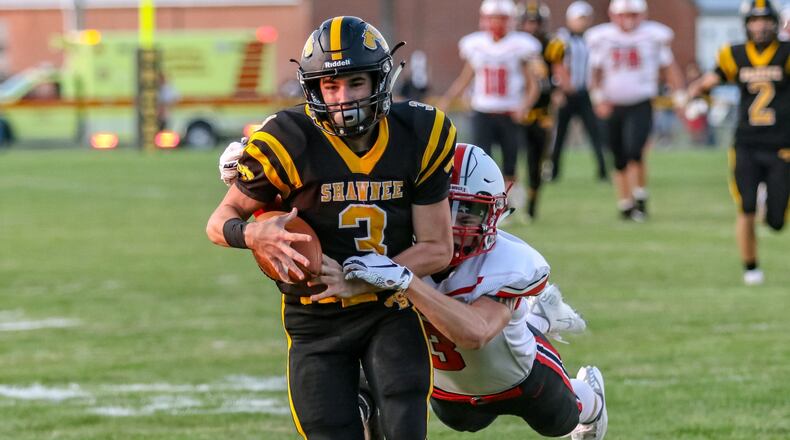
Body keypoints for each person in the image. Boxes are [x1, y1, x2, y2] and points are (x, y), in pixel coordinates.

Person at [206, 16, 457, 439]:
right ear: (313, 89)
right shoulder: (288, 139)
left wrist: (364, 280)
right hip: (315, 319)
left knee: (402, 427)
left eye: (356, 82)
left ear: (380, 80)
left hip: (390, 309)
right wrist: (252, 234)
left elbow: (436, 247)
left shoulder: (420, 132)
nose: (344, 98)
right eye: (331, 86)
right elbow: (219, 222)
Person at [337, 144, 606, 439]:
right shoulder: (395, 250)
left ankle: (592, 397)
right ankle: (538, 317)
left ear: (493, 213)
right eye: (442, 210)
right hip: (448, 389)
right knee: (461, 421)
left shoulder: (507, 262)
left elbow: (475, 334)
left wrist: (406, 281)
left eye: (467, 215)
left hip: (519, 377)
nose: (452, 227)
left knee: (561, 421)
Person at [688, 0, 790, 286]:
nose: (760, 26)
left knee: (777, 222)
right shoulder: (734, 54)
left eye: (765, 20)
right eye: (754, 21)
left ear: (774, 22)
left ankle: (768, 204)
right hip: (746, 142)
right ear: (746, 24)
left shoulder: (786, 52)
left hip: (782, 145)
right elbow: (709, 81)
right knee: (745, 207)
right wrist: (696, 94)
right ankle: (751, 268)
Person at [586, 0, 685, 221]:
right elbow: (594, 72)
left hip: (641, 102)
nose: (628, 20)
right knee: (618, 157)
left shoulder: (653, 36)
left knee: (635, 151)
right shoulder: (602, 37)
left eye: (633, 14)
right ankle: (625, 203)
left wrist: (679, 97)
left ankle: (640, 195)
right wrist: (598, 99)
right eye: (624, 15)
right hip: (613, 105)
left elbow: (669, 68)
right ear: (613, 15)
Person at [438, 0, 539, 215]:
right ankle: (488, 205)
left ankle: (508, 202)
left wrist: (524, 106)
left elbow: (533, 85)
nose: (497, 23)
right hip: (482, 111)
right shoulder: (476, 45)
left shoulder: (520, 45)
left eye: (501, 18)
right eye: (493, 18)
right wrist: (448, 99)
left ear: (510, 21)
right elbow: (466, 77)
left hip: (509, 111)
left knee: (510, 161)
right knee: (482, 161)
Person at [548, 1, 608, 182]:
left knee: (595, 133)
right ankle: (553, 172)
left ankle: (603, 171)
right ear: (570, 19)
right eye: (580, 18)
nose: (583, 22)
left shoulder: (592, 39)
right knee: (559, 135)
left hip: (584, 93)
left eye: (586, 18)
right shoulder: (561, 38)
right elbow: (555, 64)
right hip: (566, 94)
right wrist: (561, 88)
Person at [519, 1, 559, 219]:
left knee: (536, 160)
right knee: (511, 159)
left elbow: (558, 75)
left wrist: (558, 90)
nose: (531, 26)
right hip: (515, 111)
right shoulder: (513, 44)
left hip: (540, 112)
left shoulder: (552, 45)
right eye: (527, 21)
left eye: (535, 22)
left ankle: (532, 204)